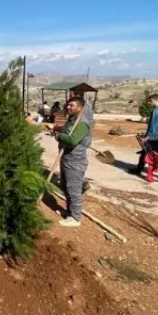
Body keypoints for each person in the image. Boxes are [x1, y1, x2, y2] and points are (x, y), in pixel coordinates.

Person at [53, 96, 92, 227]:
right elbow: (67, 134)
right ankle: (69, 211)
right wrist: (60, 131)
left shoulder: (82, 123)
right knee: (65, 187)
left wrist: (59, 136)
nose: (68, 107)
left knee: (73, 190)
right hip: (66, 158)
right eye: (68, 105)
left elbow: (72, 140)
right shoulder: (72, 120)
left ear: (80, 108)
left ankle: (75, 218)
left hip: (75, 162)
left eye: (72, 105)